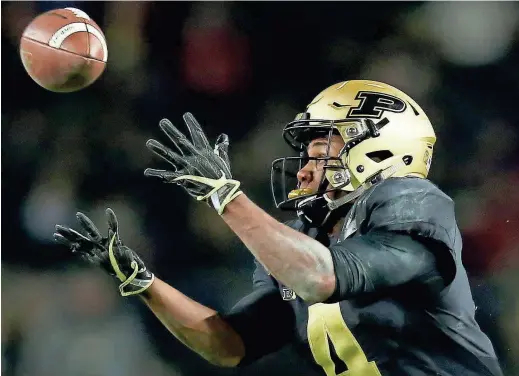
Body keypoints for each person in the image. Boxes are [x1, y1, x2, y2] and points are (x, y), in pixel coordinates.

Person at [54, 80, 503, 376]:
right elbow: (231, 344)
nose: (306, 166)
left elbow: (324, 277)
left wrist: (226, 198)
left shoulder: (411, 201)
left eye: (321, 148)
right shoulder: (302, 240)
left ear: (382, 149)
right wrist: (144, 284)